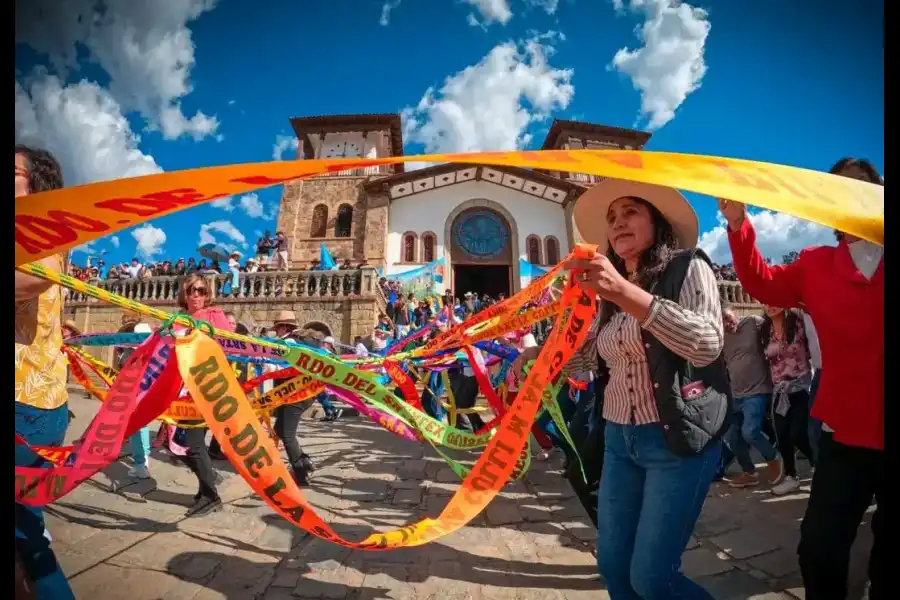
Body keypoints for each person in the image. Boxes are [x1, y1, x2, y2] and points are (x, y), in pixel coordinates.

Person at [518, 179, 729, 599]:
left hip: (677, 441)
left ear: (658, 222)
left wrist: (625, 293)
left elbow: (706, 343)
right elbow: (590, 362)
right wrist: (543, 356)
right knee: (614, 569)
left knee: (653, 579)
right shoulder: (607, 295)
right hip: (619, 440)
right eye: (612, 218)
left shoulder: (689, 267)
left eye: (630, 212)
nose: (618, 224)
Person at [718, 156, 883, 600]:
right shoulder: (815, 264)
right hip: (843, 433)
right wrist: (738, 223)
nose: (851, 196)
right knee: (820, 549)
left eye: (862, 188)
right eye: (839, 190)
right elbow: (763, 282)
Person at [15, 145, 77, 600]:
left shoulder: (42, 226)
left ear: (35, 183)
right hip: (34, 398)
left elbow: (40, 275)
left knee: (24, 532)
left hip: (26, 400)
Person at [171, 273, 234, 516]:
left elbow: (228, 345)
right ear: (183, 294)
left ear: (208, 294)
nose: (196, 295)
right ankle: (206, 481)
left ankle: (210, 496)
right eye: (191, 290)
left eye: (201, 290)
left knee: (193, 443)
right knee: (176, 443)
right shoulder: (178, 319)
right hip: (181, 389)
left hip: (205, 385)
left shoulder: (214, 315)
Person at [721, 306, 782, 488]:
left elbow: (776, 335)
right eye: (723, 321)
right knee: (732, 437)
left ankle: (773, 459)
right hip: (735, 393)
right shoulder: (720, 336)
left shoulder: (753, 323)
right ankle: (749, 471)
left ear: (734, 313)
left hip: (757, 389)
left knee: (750, 432)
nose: (728, 323)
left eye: (729, 318)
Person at [760, 306, 815, 495]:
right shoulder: (763, 329)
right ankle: (791, 476)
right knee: (782, 436)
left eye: (773, 300)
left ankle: (817, 465)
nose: (768, 305)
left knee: (798, 433)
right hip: (779, 391)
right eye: (764, 301)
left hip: (801, 387)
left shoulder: (798, 321)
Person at [270, 311, 318, 485]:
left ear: (284, 327)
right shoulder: (298, 342)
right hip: (297, 393)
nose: (276, 332)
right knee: (281, 429)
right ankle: (305, 462)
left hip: (295, 394)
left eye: (277, 328)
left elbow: (283, 367)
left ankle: (300, 473)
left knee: (287, 434)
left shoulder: (288, 344)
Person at [116, 322, 154, 479]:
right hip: (146, 395)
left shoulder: (131, 353)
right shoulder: (153, 351)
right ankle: (143, 460)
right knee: (142, 427)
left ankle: (141, 464)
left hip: (133, 396)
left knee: (135, 429)